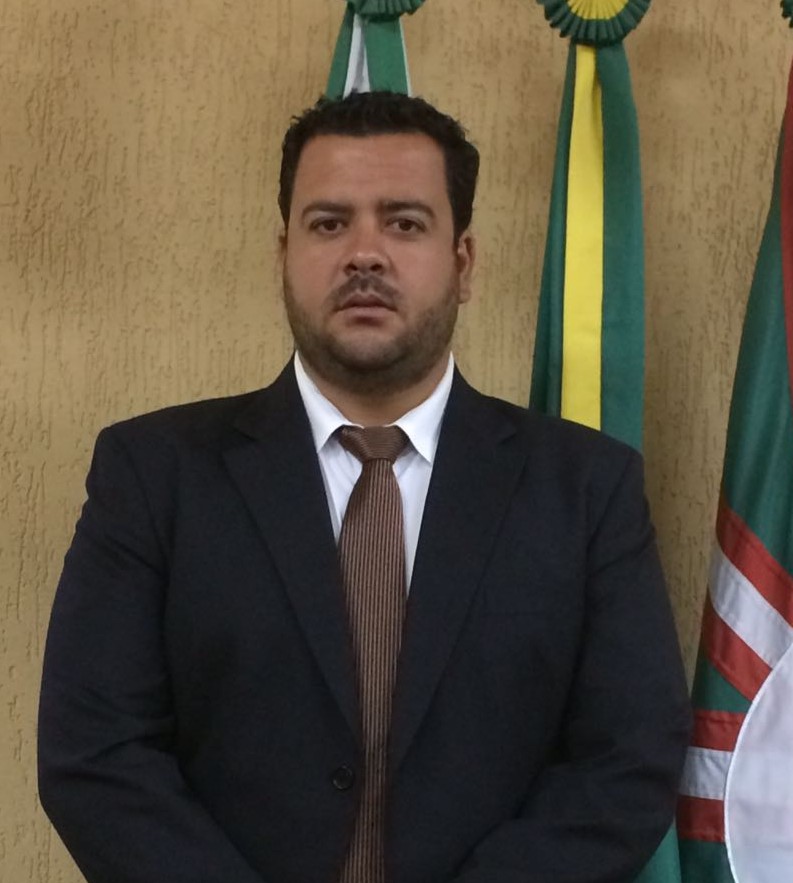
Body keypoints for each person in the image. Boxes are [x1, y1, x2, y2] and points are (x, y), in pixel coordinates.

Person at [38, 91, 691, 883]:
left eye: (404, 223)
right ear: (283, 253)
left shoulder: (585, 488)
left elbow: (627, 760)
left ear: (463, 262)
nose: (364, 254)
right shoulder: (153, 474)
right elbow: (96, 754)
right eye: (328, 223)